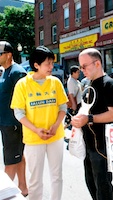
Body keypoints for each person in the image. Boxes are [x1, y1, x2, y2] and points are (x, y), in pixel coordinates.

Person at [10, 46, 68, 200]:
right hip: (33, 138)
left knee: (57, 175)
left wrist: (55, 126)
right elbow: (19, 112)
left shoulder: (55, 82)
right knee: (35, 178)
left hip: (55, 136)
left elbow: (63, 107)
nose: (51, 67)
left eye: (52, 63)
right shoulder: (22, 84)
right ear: (36, 65)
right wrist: (36, 130)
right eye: (48, 63)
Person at [71, 48, 113, 200]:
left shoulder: (110, 84)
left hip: (103, 146)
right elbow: (85, 110)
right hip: (89, 144)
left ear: (97, 63)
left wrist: (89, 119)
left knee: (103, 186)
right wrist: (78, 119)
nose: (82, 70)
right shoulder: (88, 85)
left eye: (84, 66)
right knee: (92, 183)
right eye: (80, 67)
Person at [0, 41, 28, 196]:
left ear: (8, 55)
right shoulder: (6, 71)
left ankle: (4, 193)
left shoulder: (17, 72)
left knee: (10, 162)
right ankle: (23, 187)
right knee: (17, 155)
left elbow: (25, 99)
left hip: (13, 125)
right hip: (7, 124)